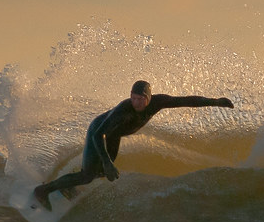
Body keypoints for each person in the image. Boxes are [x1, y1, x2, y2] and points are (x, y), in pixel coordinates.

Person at [33, 80, 234, 210]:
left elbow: (185, 100)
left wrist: (214, 101)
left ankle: (69, 185)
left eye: (140, 99)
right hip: (99, 132)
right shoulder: (123, 109)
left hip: (114, 135)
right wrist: (108, 162)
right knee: (92, 174)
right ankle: (43, 191)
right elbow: (99, 135)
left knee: (100, 173)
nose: (135, 102)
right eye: (133, 98)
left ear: (148, 99)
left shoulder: (158, 101)